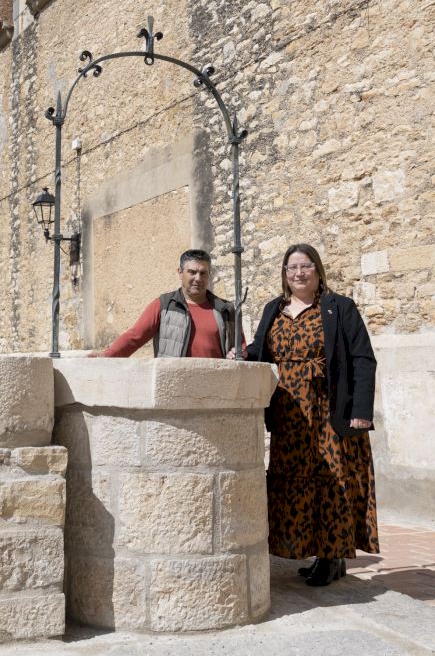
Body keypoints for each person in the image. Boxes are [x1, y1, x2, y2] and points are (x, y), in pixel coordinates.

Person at [244, 243, 378, 587]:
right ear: (284, 274)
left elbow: (363, 359)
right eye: (292, 268)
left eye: (305, 266)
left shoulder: (339, 307)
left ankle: (332, 556)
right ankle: (308, 549)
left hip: (327, 411)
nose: (299, 273)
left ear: (318, 271)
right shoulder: (273, 309)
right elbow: (260, 351)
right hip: (288, 414)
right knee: (293, 482)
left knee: (330, 480)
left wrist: (361, 411)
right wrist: (240, 356)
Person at [90, 249, 242, 358]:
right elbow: (135, 337)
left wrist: (238, 352)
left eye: (203, 273)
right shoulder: (163, 305)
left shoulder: (225, 309)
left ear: (209, 274)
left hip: (216, 386)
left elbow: (240, 346)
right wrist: (105, 357)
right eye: (192, 272)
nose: (198, 278)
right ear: (180, 272)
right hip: (174, 386)